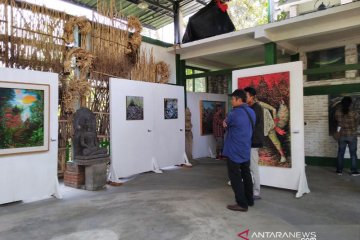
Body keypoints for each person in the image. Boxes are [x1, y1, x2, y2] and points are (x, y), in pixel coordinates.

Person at [223, 89, 255, 212]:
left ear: (239, 100)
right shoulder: (251, 112)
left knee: (235, 177)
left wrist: (225, 122)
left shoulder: (234, 114)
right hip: (245, 150)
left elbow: (226, 124)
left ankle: (242, 204)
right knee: (246, 174)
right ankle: (249, 199)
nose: (231, 101)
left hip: (234, 151)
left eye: (233, 99)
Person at [244, 87, 265, 200]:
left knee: (253, 167)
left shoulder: (256, 108)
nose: (244, 98)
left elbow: (251, 124)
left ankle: (256, 192)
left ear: (252, 96)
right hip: (249, 141)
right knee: (248, 167)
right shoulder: (250, 107)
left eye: (246, 96)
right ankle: (251, 189)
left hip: (254, 141)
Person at [335, 96, 360, 176]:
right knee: (353, 154)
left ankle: (339, 170)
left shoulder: (337, 112)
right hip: (352, 136)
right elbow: (357, 122)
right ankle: (354, 171)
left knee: (340, 153)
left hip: (341, 136)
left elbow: (337, 122)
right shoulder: (354, 113)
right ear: (350, 104)